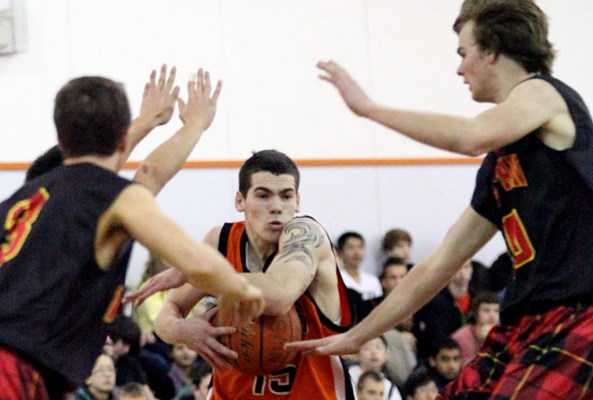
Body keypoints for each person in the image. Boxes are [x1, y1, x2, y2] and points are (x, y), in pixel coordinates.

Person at [289, 0, 593, 397]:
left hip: (579, 316)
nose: (459, 69)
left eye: (463, 53)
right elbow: (439, 264)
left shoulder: (544, 93)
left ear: (491, 50)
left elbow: (469, 136)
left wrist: (369, 110)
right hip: (526, 323)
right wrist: (357, 335)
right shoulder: (499, 164)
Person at [0, 67, 264, 399]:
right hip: (13, 368)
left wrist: (175, 124)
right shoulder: (116, 198)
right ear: (124, 138)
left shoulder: (26, 196)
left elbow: (147, 175)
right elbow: (197, 262)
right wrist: (238, 288)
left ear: (61, 139)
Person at [129, 149, 355, 399]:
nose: (277, 207)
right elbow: (168, 313)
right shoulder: (221, 241)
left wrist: (200, 272)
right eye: (263, 195)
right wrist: (184, 330)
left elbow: (279, 296)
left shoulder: (307, 235)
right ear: (240, 201)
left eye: (286, 196)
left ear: (298, 202)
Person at [412, 259, 473, 360]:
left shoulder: (477, 298)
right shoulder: (435, 300)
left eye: (466, 267)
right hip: (443, 355)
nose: (462, 272)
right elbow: (436, 334)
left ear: (471, 270)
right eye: (457, 268)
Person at [451, 290, 500, 366]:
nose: (492, 316)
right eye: (486, 311)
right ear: (476, 314)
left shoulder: (504, 335)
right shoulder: (461, 337)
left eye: (496, 311)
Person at [348, 336, 402, 400]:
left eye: (379, 347)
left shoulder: (389, 387)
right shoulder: (347, 377)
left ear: (386, 355)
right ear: (357, 354)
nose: (374, 352)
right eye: (368, 348)